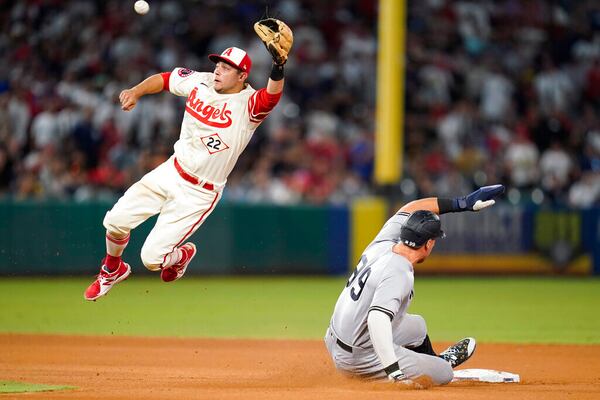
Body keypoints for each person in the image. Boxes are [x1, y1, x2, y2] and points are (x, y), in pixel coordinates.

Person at [84, 45, 288, 301]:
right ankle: (112, 269)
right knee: (115, 221)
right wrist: (136, 91)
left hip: (199, 192)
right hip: (172, 170)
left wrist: (278, 66)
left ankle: (182, 255)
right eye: (217, 64)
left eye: (226, 68)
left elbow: (271, 97)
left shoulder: (248, 105)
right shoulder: (200, 81)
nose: (217, 70)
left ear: (242, 76)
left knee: (151, 259)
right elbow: (166, 79)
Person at [324, 184, 505, 387]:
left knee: (418, 326)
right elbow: (377, 319)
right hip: (358, 357)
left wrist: (461, 203)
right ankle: (429, 367)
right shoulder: (399, 271)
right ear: (428, 244)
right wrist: (395, 373)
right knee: (444, 373)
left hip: (336, 338)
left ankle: (430, 361)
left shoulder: (383, 242)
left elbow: (411, 207)